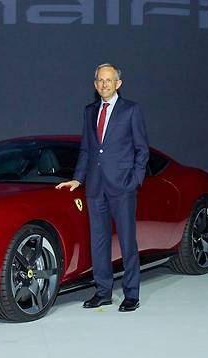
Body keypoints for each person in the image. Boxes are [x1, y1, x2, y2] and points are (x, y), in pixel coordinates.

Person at [56, 63, 149, 312]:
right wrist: (78, 178)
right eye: (100, 80)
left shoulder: (131, 110)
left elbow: (142, 149)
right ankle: (103, 291)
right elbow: (87, 149)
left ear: (118, 84)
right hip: (95, 187)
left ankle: (131, 294)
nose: (104, 84)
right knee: (98, 241)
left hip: (122, 187)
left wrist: (135, 179)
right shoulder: (89, 111)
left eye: (109, 80)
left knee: (127, 241)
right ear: (95, 84)